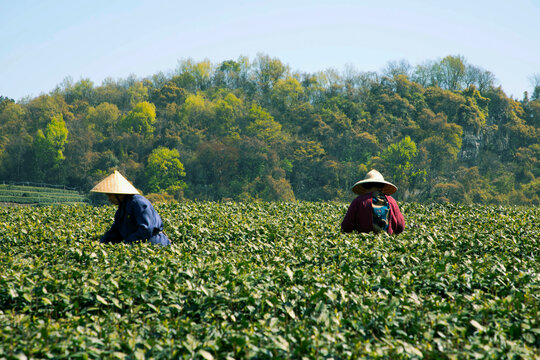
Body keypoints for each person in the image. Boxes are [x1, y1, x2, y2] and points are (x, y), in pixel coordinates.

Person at [90, 170, 171, 246]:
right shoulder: (122, 207)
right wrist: (102, 243)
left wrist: (126, 243)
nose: (109, 200)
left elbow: (146, 229)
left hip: (154, 244)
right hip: (138, 244)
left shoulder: (138, 203)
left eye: (110, 196)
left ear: (118, 194)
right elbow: (115, 230)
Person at [341, 169, 405, 235]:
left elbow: (346, 226)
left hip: (364, 242)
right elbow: (400, 226)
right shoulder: (391, 201)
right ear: (382, 186)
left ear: (365, 186)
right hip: (387, 242)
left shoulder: (359, 201)